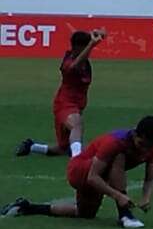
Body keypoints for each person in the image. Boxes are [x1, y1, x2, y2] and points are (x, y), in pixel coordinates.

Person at [2, 116, 153, 229]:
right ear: (136, 133)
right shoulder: (116, 142)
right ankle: (125, 215)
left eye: (149, 146)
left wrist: (146, 198)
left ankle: (28, 207)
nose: (144, 149)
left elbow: (150, 178)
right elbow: (93, 177)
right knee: (119, 156)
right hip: (80, 170)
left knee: (85, 214)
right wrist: (118, 196)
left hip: (101, 175)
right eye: (141, 143)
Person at [14, 28, 106, 159]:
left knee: (63, 148)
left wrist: (96, 37)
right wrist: (91, 44)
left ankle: (32, 147)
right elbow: (74, 67)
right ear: (77, 48)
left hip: (76, 106)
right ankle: (77, 161)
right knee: (77, 124)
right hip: (65, 105)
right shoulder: (68, 63)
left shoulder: (83, 61)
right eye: (85, 47)